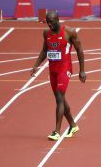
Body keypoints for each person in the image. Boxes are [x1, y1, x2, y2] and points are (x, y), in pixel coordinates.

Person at [30, 10, 86, 141]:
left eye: (52, 22)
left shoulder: (69, 32)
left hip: (64, 69)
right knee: (59, 99)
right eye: (48, 22)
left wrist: (82, 70)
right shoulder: (46, 33)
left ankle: (56, 131)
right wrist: (36, 65)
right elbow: (45, 51)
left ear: (58, 19)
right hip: (53, 70)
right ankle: (73, 125)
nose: (50, 25)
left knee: (60, 96)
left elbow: (80, 50)